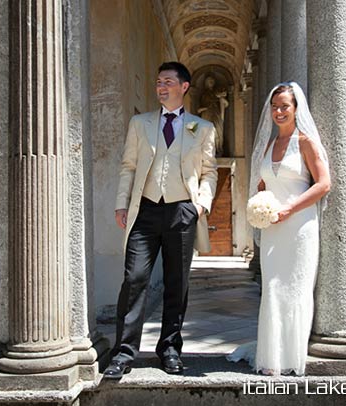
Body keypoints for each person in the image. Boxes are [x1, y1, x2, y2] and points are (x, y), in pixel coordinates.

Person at [103, 62, 218, 379]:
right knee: (135, 278)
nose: (161, 87)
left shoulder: (202, 128)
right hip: (145, 210)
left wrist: (201, 205)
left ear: (184, 86)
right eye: (158, 82)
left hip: (182, 210)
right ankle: (124, 353)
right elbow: (128, 166)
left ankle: (169, 349)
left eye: (168, 81)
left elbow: (209, 172)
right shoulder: (140, 123)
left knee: (176, 284)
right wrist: (121, 203)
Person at [227, 82, 331, 376]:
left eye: (285, 106)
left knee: (295, 289)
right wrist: (261, 199)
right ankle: (271, 357)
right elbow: (264, 182)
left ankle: (291, 357)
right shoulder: (270, 145)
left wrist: (290, 208)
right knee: (272, 289)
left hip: (298, 226)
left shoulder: (306, 142)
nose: (279, 111)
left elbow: (323, 184)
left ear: (297, 109)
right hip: (273, 227)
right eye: (275, 106)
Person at [197, 75, 229, 156]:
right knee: (208, 132)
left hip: (216, 114)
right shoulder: (205, 94)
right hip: (207, 115)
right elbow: (200, 107)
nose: (211, 82)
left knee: (218, 131)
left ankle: (218, 149)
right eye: (209, 80)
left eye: (212, 80)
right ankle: (208, 150)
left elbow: (225, 102)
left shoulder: (216, 93)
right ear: (206, 83)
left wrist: (221, 97)